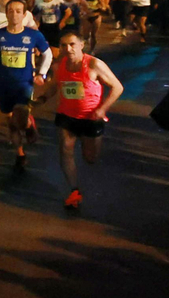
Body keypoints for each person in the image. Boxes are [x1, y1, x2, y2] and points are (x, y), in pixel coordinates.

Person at [50, 29, 122, 209]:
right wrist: (42, 98)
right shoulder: (59, 65)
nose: (68, 49)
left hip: (91, 118)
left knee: (90, 158)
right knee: (65, 149)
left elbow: (118, 87)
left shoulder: (94, 65)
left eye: (72, 44)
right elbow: (55, 85)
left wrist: (102, 109)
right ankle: (74, 191)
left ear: (82, 45)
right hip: (67, 116)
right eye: (64, 45)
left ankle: (86, 144)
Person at [0, 0, 55, 174]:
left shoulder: (33, 35)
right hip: (3, 85)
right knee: (11, 123)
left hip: (24, 84)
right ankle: (20, 154)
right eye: (11, 11)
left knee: (21, 117)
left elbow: (48, 54)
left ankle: (29, 126)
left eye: (18, 11)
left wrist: (42, 73)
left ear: (24, 15)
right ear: (6, 13)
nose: (14, 14)